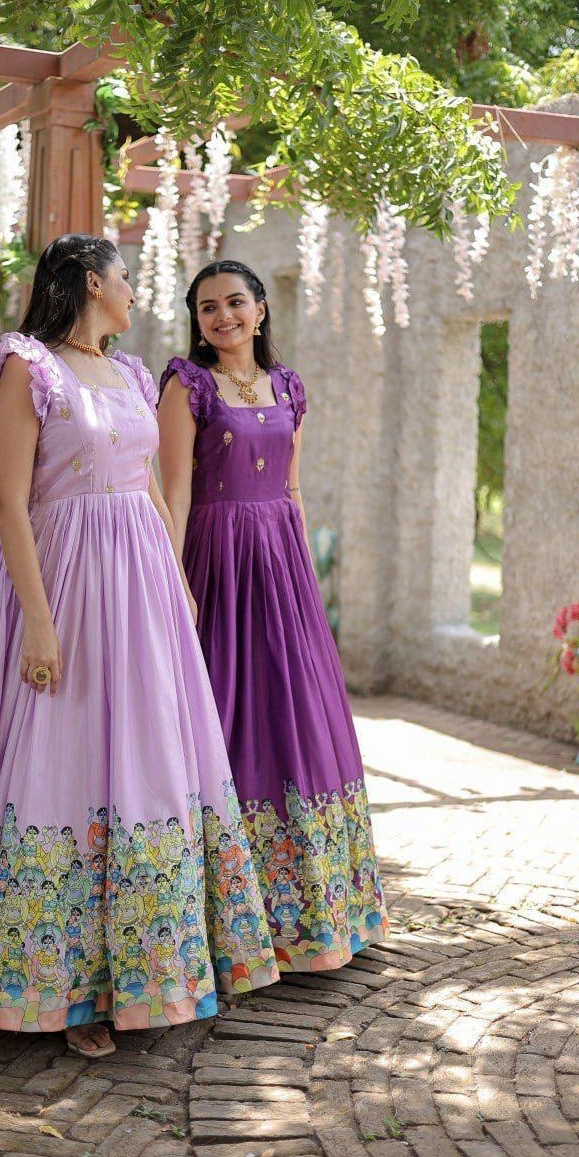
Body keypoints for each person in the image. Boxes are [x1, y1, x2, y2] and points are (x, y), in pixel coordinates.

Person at [0, 236, 278, 1058]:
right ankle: (59, 991)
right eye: (125, 278)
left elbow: (148, 487)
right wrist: (39, 621)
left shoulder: (129, 374)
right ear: (92, 282)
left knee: (144, 765)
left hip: (140, 596)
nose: (135, 292)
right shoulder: (28, 366)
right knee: (62, 762)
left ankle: (137, 979)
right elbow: (10, 504)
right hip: (60, 582)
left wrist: (176, 582)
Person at [157, 259, 388, 974]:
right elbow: (173, 492)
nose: (222, 316)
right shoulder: (186, 385)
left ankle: (310, 917)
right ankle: (222, 921)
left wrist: (304, 581)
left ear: (260, 309)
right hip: (215, 560)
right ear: (197, 322)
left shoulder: (288, 386)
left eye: (234, 302)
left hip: (281, 564)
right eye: (207, 307)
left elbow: (290, 488)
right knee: (224, 711)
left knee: (294, 713)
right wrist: (175, 579)